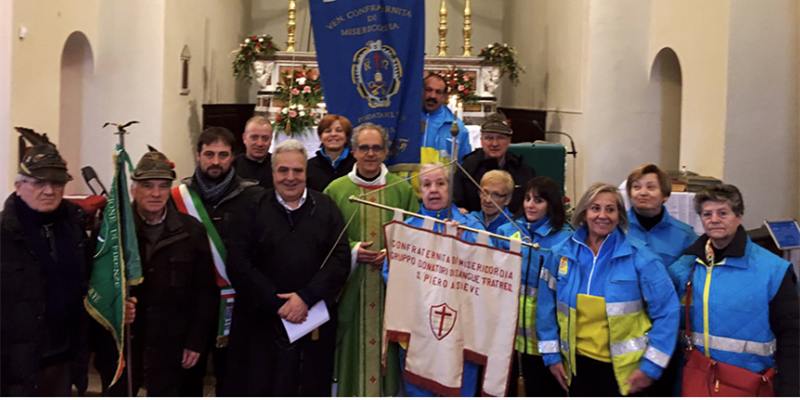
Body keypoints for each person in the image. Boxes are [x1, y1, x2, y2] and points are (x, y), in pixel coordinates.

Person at [0, 132, 125, 396]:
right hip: (13, 368)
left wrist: (117, 301)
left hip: (63, 360)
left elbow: (90, 288)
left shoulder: (75, 229)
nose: (49, 190)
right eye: (39, 183)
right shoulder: (4, 234)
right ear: (18, 185)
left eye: (57, 183)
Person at [223, 139, 351, 396]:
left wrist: (305, 298)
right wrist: (276, 303)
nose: (290, 177)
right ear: (273, 173)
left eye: (297, 170)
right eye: (283, 170)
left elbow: (340, 258)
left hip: (311, 321)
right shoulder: (251, 208)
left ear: (306, 172)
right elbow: (238, 262)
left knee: (309, 387)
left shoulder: (326, 208)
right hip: (261, 323)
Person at [536, 183, 680, 396]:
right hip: (575, 368)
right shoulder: (560, 254)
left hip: (626, 373)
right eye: (595, 208)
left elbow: (668, 311)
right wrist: (552, 357)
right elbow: (545, 310)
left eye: (610, 209)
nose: (602, 215)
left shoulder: (642, 257)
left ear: (619, 216)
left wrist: (651, 367)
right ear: (584, 212)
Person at [96, 147, 218, 396]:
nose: (155, 193)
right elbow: (94, 286)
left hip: (172, 345)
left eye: (163, 186)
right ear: (133, 189)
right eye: (147, 185)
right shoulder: (113, 232)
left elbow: (205, 293)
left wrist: (196, 343)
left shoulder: (190, 232)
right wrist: (115, 307)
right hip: (124, 347)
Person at [668, 184, 800, 396]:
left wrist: (792, 390)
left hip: (748, 383)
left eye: (723, 213)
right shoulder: (686, 265)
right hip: (697, 380)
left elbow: (792, 334)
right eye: (707, 214)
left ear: (739, 217)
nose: (714, 220)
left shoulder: (772, 270)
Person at [324, 123, 419, 397]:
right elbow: (325, 240)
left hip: (391, 294)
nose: (370, 153)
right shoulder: (336, 190)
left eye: (376, 148)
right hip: (350, 291)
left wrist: (392, 255)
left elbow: (415, 237)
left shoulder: (400, 189)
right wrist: (354, 251)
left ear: (386, 152)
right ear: (352, 151)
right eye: (364, 147)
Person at [173, 126, 264, 396]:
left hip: (237, 304)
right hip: (190, 305)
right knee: (188, 377)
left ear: (232, 157)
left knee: (233, 379)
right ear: (197, 155)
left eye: (223, 155)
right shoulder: (178, 198)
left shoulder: (254, 198)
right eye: (209, 154)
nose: (215, 161)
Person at [381, 163, 482, 397]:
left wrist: (463, 244)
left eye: (440, 183)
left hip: (461, 333)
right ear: (420, 191)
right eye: (426, 184)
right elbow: (392, 275)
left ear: (450, 187)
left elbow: (484, 277)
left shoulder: (473, 227)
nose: (433, 190)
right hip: (420, 333)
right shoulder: (407, 230)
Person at [497, 176, 573, 397]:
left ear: (551, 204)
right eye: (528, 198)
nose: (530, 205)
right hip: (510, 338)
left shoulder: (565, 240)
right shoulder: (505, 232)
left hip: (546, 340)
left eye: (538, 200)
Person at [394, 74, 471, 197]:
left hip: (438, 198)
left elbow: (465, 167)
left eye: (438, 92)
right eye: (428, 90)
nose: (432, 96)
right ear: (421, 90)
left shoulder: (457, 127)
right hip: (405, 195)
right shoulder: (404, 119)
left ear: (445, 96)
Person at [454, 112, 535, 214]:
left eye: (501, 138)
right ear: (481, 140)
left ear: (509, 141)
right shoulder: (467, 170)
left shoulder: (523, 170)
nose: (495, 144)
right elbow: (457, 204)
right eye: (489, 138)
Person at [625, 164, 697, 269]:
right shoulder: (615, 228)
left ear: (665, 195)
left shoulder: (685, 235)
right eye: (636, 187)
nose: (643, 193)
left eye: (650, 187)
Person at [306, 114, 357, 192]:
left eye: (339, 130)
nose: (333, 134)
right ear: (320, 138)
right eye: (328, 131)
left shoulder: (357, 165)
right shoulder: (308, 166)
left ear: (347, 138)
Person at [464, 170, 515, 234]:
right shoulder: (470, 219)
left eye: (496, 195)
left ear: (508, 199)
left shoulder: (513, 227)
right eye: (485, 193)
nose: (488, 200)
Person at [234, 115, 274, 189]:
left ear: (271, 140)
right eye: (254, 138)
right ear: (244, 138)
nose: (260, 144)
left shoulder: (278, 165)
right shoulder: (232, 167)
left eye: (265, 138)